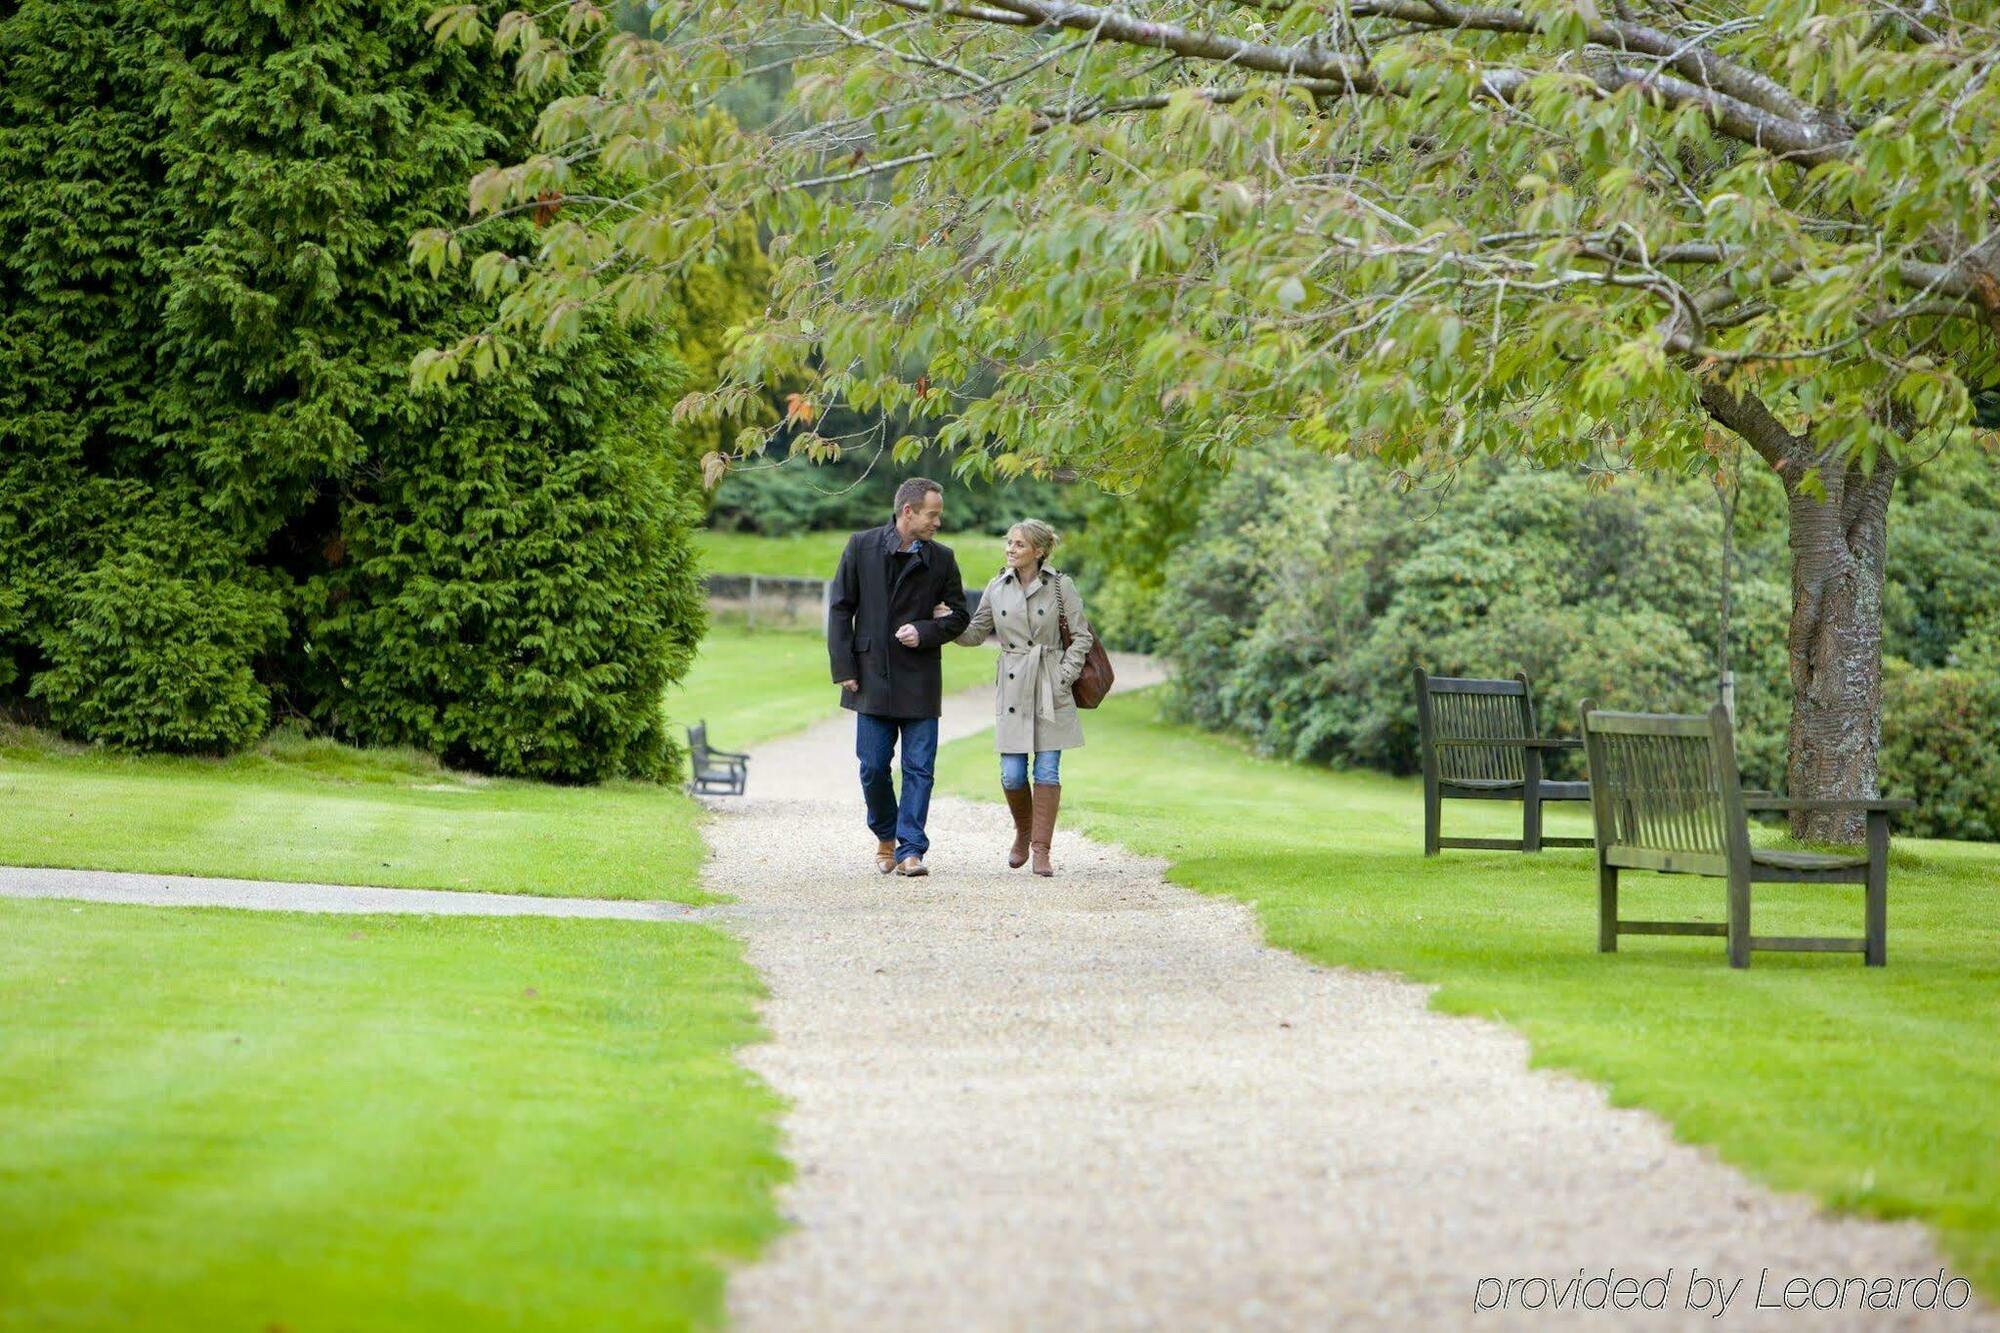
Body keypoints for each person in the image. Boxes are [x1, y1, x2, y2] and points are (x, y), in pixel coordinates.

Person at [827, 478, 970, 877]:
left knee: (920, 768)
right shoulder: (861, 545)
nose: (938, 522)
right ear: (908, 512)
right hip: (870, 674)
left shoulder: (943, 558)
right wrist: (844, 668)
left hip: (921, 676)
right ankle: (885, 835)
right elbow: (840, 608)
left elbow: (960, 616)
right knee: (872, 766)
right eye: (933, 514)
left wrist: (924, 631)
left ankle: (911, 850)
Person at [948, 519, 1093, 876]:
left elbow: (1082, 636)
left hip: (1049, 682)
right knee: (1012, 774)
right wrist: (945, 623)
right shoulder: (997, 586)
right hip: (1013, 684)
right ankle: (1023, 830)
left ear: (1039, 551)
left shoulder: (1061, 586)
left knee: (1047, 768)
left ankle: (1041, 849)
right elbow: (975, 633)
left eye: (1019, 545)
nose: (1010, 549)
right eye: (1009, 542)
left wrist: (1062, 676)